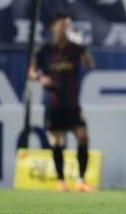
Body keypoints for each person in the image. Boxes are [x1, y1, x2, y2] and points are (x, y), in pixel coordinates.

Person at [28, 13, 96, 193]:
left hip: (73, 103)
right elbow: (32, 72)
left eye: (67, 25)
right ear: (53, 27)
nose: (64, 28)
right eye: (61, 25)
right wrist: (41, 78)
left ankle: (81, 181)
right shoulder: (45, 50)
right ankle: (61, 181)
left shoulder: (75, 49)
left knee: (83, 137)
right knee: (57, 141)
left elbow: (90, 65)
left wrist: (82, 46)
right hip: (54, 103)